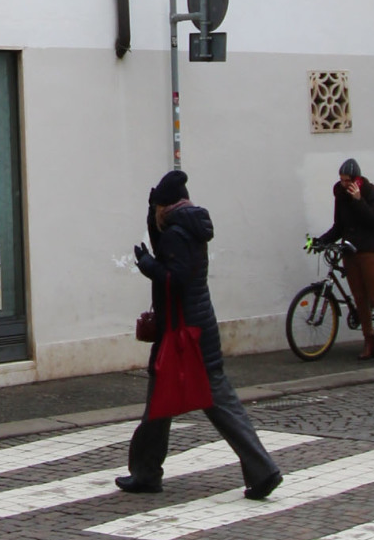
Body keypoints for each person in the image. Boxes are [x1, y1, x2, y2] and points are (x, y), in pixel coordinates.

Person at [118, 169, 283, 500]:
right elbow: (167, 251)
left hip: (184, 335)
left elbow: (173, 277)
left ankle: (262, 470)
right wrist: (154, 224)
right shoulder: (187, 228)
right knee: (164, 406)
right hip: (194, 328)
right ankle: (146, 471)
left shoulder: (177, 235)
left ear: (164, 207)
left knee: (210, 404)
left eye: (155, 208)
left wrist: (148, 266)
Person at [314, 156, 374, 361]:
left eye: (348, 180)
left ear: (356, 179)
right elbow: (338, 226)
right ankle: (369, 341)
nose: (344, 184)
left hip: (369, 251)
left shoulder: (370, 194)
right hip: (350, 253)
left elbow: (373, 219)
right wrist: (320, 241)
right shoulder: (340, 196)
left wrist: (359, 200)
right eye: (341, 180)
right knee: (360, 299)